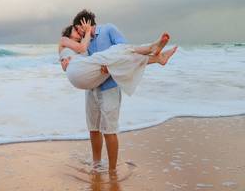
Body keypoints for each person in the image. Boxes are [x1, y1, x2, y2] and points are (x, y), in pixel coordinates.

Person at [59, 10, 176, 173]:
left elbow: (127, 52)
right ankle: (97, 164)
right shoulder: (84, 41)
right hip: (92, 88)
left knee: (109, 130)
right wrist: (65, 60)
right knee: (93, 129)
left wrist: (110, 67)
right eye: (77, 31)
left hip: (109, 87)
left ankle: (112, 170)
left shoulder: (108, 30)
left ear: (86, 23)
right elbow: (77, 61)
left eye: (79, 29)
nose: (78, 33)